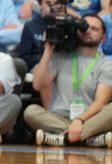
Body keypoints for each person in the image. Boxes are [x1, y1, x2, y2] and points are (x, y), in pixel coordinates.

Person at [25, 14, 112, 147]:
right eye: (85, 27)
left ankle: (63, 139)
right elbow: (38, 85)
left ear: (103, 37)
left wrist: (79, 120)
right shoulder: (60, 55)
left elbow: (101, 101)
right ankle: (89, 139)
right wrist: (48, 50)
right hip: (59, 117)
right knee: (30, 112)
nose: (88, 31)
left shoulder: (106, 63)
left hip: (90, 117)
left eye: (94, 29)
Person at [16, 0, 61, 69]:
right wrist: (47, 59)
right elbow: (24, 57)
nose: (52, 7)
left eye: (55, 3)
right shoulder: (30, 26)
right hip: (39, 66)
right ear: (40, 5)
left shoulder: (66, 25)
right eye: (48, 3)